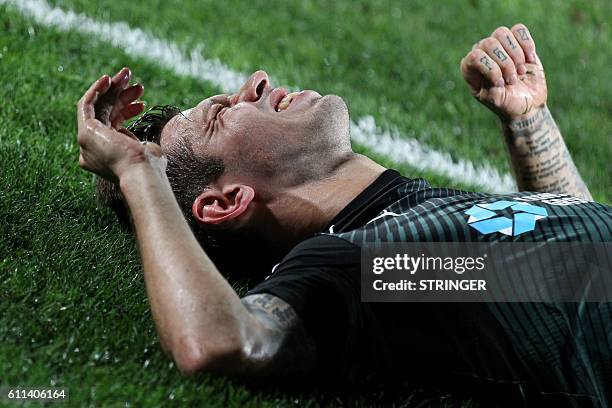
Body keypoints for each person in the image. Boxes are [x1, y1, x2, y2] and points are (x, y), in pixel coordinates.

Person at [77, 23, 611, 406]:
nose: (257, 82)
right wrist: (138, 171)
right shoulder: (363, 264)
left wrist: (528, 123)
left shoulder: (420, 229)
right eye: (223, 114)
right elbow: (221, 341)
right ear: (225, 201)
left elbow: (570, 261)